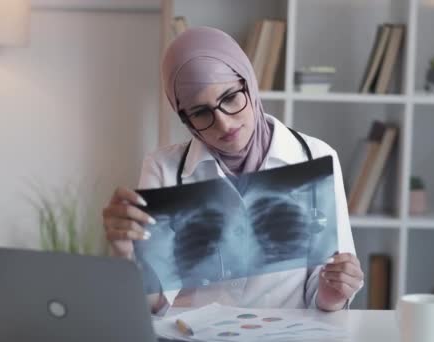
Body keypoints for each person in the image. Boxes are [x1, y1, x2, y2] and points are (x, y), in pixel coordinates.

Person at [102, 26, 363, 314]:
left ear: (249, 84)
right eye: (201, 112)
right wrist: (124, 252)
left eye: (230, 98)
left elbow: (325, 294)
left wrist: (333, 292)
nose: (224, 124)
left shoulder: (316, 157)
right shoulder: (163, 169)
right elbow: (153, 302)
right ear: (185, 118)